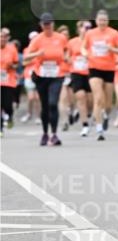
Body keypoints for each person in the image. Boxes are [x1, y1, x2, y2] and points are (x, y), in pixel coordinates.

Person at [22, 12, 69, 145]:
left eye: (49, 23)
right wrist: (38, 53)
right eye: (45, 23)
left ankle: (54, 134)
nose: (47, 26)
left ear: (53, 24)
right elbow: (26, 58)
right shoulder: (37, 39)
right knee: (45, 105)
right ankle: (44, 133)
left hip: (57, 75)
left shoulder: (61, 38)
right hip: (41, 76)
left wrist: (66, 57)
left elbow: (66, 51)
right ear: (41, 25)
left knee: (53, 103)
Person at [82, 10, 118, 140]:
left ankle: (105, 115)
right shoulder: (90, 33)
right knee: (98, 98)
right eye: (100, 20)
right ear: (96, 21)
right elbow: (83, 47)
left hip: (109, 69)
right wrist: (84, 53)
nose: (102, 22)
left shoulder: (114, 33)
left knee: (107, 104)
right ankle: (99, 129)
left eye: (104, 20)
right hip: (94, 68)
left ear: (108, 21)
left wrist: (112, 49)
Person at [68, 20, 93, 136]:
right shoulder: (72, 42)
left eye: (89, 27)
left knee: (90, 101)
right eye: (85, 27)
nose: (88, 29)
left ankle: (84, 113)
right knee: (81, 97)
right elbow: (66, 56)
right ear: (79, 29)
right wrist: (70, 61)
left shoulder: (93, 42)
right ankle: (85, 125)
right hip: (77, 72)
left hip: (91, 72)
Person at [20, 31, 41, 123]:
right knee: (31, 98)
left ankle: (38, 117)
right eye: (33, 38)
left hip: (39, 74)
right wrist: (34, 57)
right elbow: (24, 63)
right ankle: (29, 113)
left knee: (37, 98)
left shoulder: (41, 49)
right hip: (29, 75)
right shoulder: (27, 50)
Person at [1, 28, 19, 131]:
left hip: (8, 81)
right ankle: (0, 128)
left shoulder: (12, 48)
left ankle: (10, 116)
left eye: (4, 37)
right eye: (0, 37)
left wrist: (11, 65)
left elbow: (17, 64)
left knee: (7, 105)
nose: (2, 39)